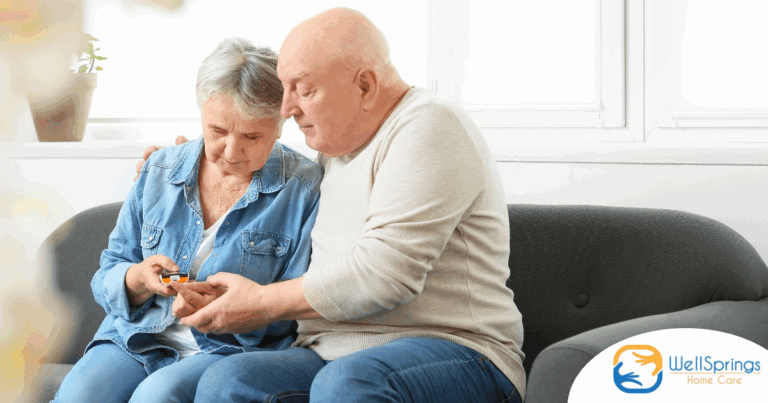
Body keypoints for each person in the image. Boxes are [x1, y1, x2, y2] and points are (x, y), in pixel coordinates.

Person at [141, 7, 526, 403]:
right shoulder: (334, 150)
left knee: (346, 383)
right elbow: (265, 178)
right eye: (285, 89)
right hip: (331, 350)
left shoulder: (428, 126)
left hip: (457, 350)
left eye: (303, 89)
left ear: (365, 86)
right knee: (229, 380)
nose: (287, 108)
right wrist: (191, 166)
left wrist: (260, 304)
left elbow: (383, 276)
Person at [53, 37, 323, 403]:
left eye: (251, 136)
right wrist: (139, 278)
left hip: (228, 350)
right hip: (137, 336)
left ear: (279, 125)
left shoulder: (303, 188)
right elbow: (109, 272)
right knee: (80, 395)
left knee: (156, 396)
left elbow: (295, 309)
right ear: (201, 113)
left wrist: (229, 309)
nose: (231, 151)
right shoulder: (159, 170)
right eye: (217, 131)